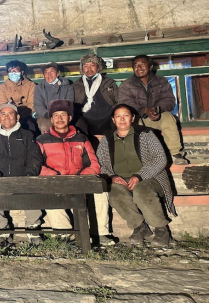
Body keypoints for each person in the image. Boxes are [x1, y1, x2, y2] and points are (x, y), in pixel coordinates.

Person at [96, 104, 176, 246]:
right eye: (118, 116)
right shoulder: (107, 139)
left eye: (126, 115)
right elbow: (100, 163)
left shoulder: (146, 134)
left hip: (150, 178)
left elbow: (160, 158)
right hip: (120, 179)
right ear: (113, 120)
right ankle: (140, 227)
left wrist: (140, 176)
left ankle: (161, 229)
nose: (122, 119)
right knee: (113, 192)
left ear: (132, 118)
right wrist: (112, 177)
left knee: (141, 190)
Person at [36, 100, 113, 245]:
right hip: (55, 181)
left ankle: (100, 232)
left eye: (63, 115)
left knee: (100, 192)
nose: (59, 118)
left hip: (79, 181)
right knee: (48, 192)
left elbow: (93, 163)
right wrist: (55, 177)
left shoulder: (81, 138)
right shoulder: (42, 140)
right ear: (51, 119)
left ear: (70, 118)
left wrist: (80, 179)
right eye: (56, 115)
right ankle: (64, 233)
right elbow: (37, 165)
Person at [0, 103, 43, 245]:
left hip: (22, 179)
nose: (7, 117)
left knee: (32, 190)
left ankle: (32, 228)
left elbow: (35, 157)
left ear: (17, 117)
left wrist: (28, 176)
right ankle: (1, 230)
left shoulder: (27, 135)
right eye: (3, 114)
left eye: (10, 114)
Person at [118, 55, 188, 165]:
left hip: (156, 117)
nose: (139, 67)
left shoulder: (161, 81)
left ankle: (176, 154)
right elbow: (125, 104)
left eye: (142, 64)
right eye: (136, 65)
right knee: (128, 121)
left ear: (150, 67)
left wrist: (156, 110)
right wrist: (144, 110)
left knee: (168, 117)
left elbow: (169, 100)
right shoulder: (126, 85)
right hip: (137, 119)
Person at [73, 54, 118, 138]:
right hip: (86, 120)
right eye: (85, 66)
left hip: (107, 118)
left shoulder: (109, 83)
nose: (89, 69)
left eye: (92, 65)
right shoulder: (76, 85)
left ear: (98, 68)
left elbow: (118, 101)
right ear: (82, 69)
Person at [34, 62, 74, 133]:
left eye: (52, 71)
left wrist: (63, 115)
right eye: (46, 72)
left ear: (58, 73)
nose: (49, 75)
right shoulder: (39, 88)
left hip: (63, 115)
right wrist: (49, 115)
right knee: (45, 126)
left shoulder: (68, 87)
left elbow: (70, 103)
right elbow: (38, 105)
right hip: (46, 116)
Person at [0, 60, 36, 130]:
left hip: (26, 116)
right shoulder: (2, 88)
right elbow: (2, 105)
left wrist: (21, 116)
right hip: (9, 117)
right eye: (10, 71)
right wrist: (12, 116)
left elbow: (31, 104)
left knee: (31, 127)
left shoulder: (31, 85)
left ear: (22, 72)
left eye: (15, 71)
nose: (13, 73)